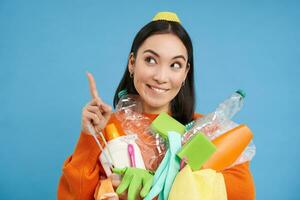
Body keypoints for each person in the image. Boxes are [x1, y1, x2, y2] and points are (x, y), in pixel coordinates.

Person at [57, 12, 255, 200]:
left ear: (185, 73)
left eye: (175, 65)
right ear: (132, 63)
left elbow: (242, 194)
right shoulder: (106, 128)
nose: (161, 77)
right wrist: (89, 137)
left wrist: (155, 187)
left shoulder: (208, 131)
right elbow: (72, 196)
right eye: (151, 60)